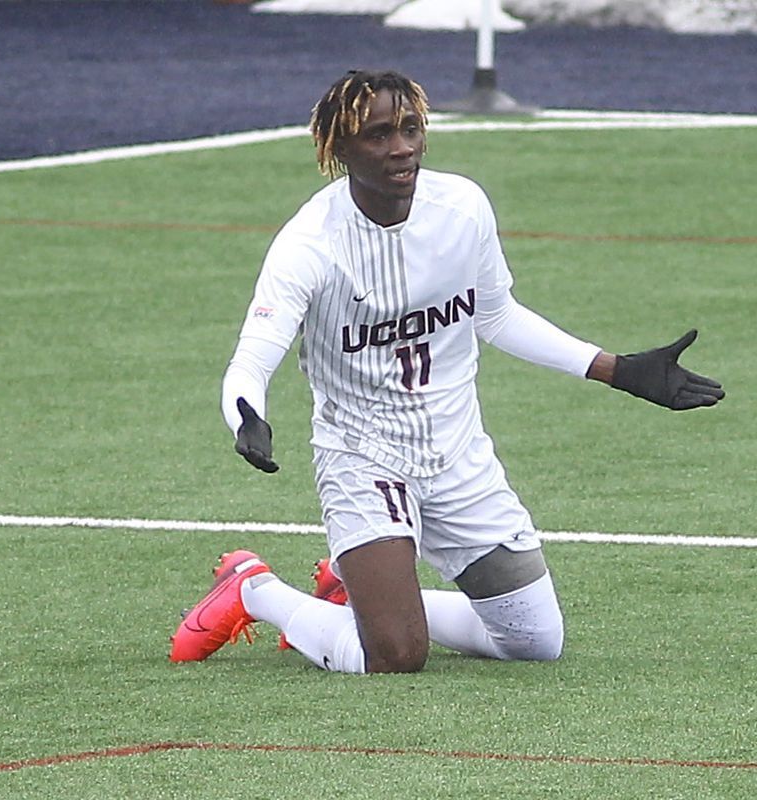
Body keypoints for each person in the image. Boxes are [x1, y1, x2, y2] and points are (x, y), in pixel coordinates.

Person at [169, 69, 724, 674]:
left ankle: (357, 592)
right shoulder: (309, 245)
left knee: (534, 642)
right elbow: (252, 357)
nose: (401, 147)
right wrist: (247, 414)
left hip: (459, 456)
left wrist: (617, 369)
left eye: (409, 129)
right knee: (397, 656)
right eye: (379, 135)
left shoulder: (461, 208)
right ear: (340, 148)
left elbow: (497, 315)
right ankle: (255, 589)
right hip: (364, 456)